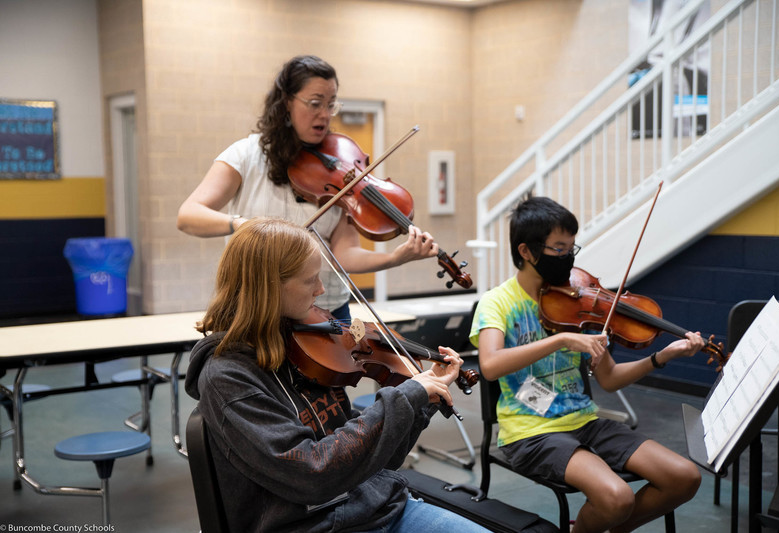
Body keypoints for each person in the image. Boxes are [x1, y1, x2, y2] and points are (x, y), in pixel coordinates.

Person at [184, 217, 490, 533]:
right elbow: (312, 474)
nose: (321, 289)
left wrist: (422, 396)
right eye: (310, 280)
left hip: (379, 508)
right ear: (269, 287)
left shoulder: (310, 348)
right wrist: (405, 397)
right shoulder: (228, 378)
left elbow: (377, 460)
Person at [469, 195, 703, 533]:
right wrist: (560, 340)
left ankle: (606, 528)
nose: (567, 257)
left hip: (585, 422)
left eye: (571, 249)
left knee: (684, 477)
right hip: (531, 432)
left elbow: (608, 378)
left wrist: (660, 357)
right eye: (559, 248)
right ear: (526, 251)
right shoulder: (497, 303)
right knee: (617, 497)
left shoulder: (576, 300)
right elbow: (489, 365)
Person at [177, 55, 437, 322]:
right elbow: (188, 215)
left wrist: (395, 257)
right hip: (258, 313)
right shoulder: (245, 155)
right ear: (287, 102)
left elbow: (344, 255)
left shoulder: (343, 165)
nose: (324, 114)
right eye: (315, 103)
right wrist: (241, 224)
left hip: (325, 310)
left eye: (331, 104)